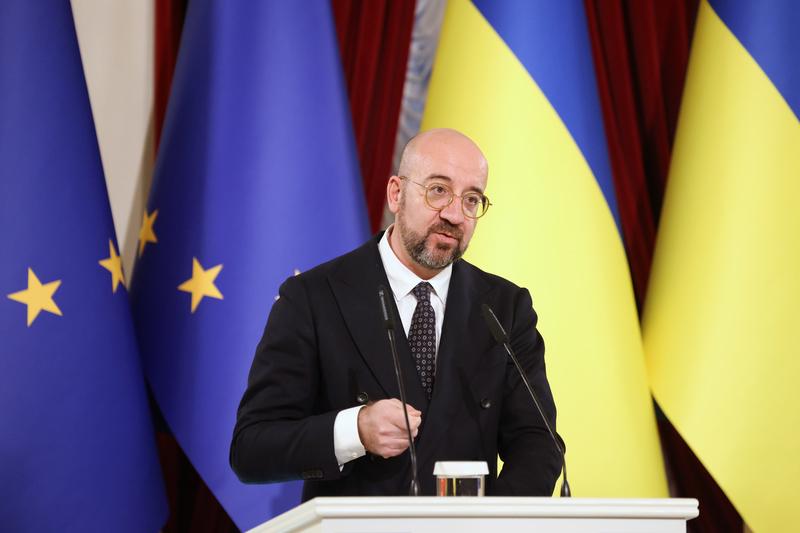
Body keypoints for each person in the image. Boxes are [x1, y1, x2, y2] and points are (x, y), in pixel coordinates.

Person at [230, 128, 561, 499]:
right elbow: (252, 448)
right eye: (438, 190)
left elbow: (539, 443)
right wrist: (355, 430)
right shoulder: (314, 297)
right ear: (396, 194)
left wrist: (486, 524)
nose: (454, 214)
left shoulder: (504, 308)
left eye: (472, 199)